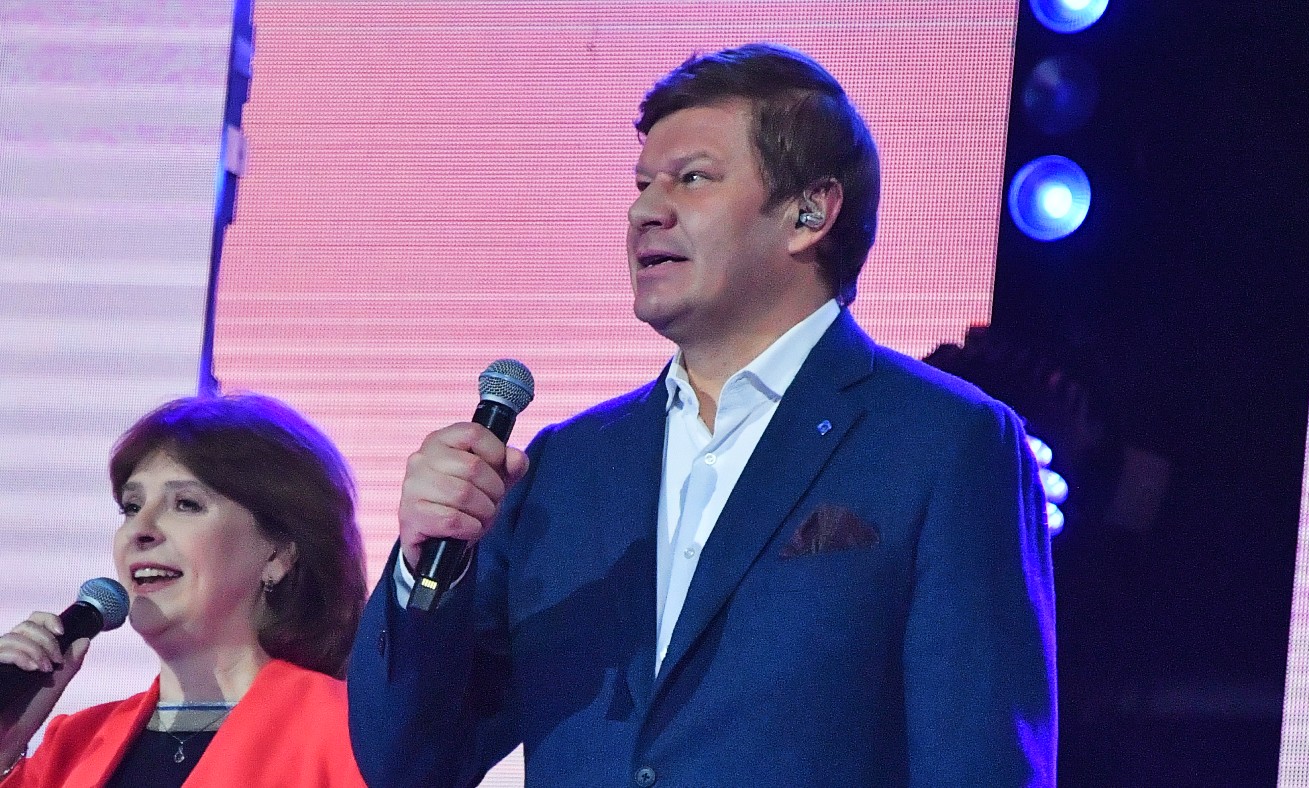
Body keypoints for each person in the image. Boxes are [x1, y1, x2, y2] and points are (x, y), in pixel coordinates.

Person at [349, 43, 1056, 786]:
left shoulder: (942, 443)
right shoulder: (564, 469)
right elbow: (407, 763)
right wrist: (426, 568)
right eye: (642, 185)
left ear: (810, 212)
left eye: (692, 178)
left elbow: (981, 763)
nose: (645, 211)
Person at [0, 394, 369, 787]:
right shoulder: (72, 746)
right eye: (131, 506)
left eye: (186, 504)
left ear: (277, 554)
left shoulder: (353, 735)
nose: (140, 529)